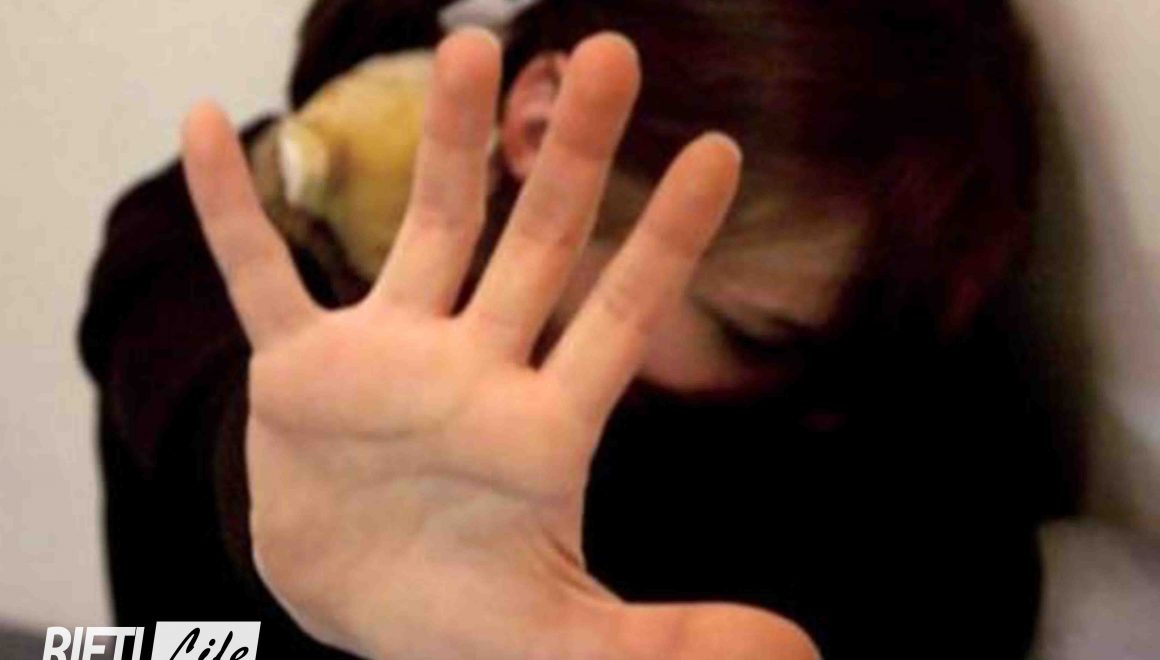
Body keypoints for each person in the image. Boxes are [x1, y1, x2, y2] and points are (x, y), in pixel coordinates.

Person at [79, 1, 1070, 657]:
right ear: (540, 129)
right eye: (757, 337)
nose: (817, 408)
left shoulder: (880, 368)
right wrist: (251, 473)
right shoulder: (235, 250)